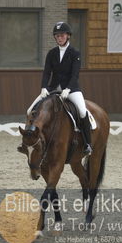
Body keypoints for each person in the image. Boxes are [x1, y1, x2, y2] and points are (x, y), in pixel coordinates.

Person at [27, 21, 92, 155]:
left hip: (71, 89)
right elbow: (46, 72)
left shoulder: (75, 53)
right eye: (57, 36)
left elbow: (75, 74)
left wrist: (68, 88)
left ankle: (87, 144)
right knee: (30, 110)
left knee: (82, 111)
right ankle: (29, 141)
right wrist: (44, 87)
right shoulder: (52, 53)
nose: (59, 38)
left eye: (62, 35)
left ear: (68, 36)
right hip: (52, 88)